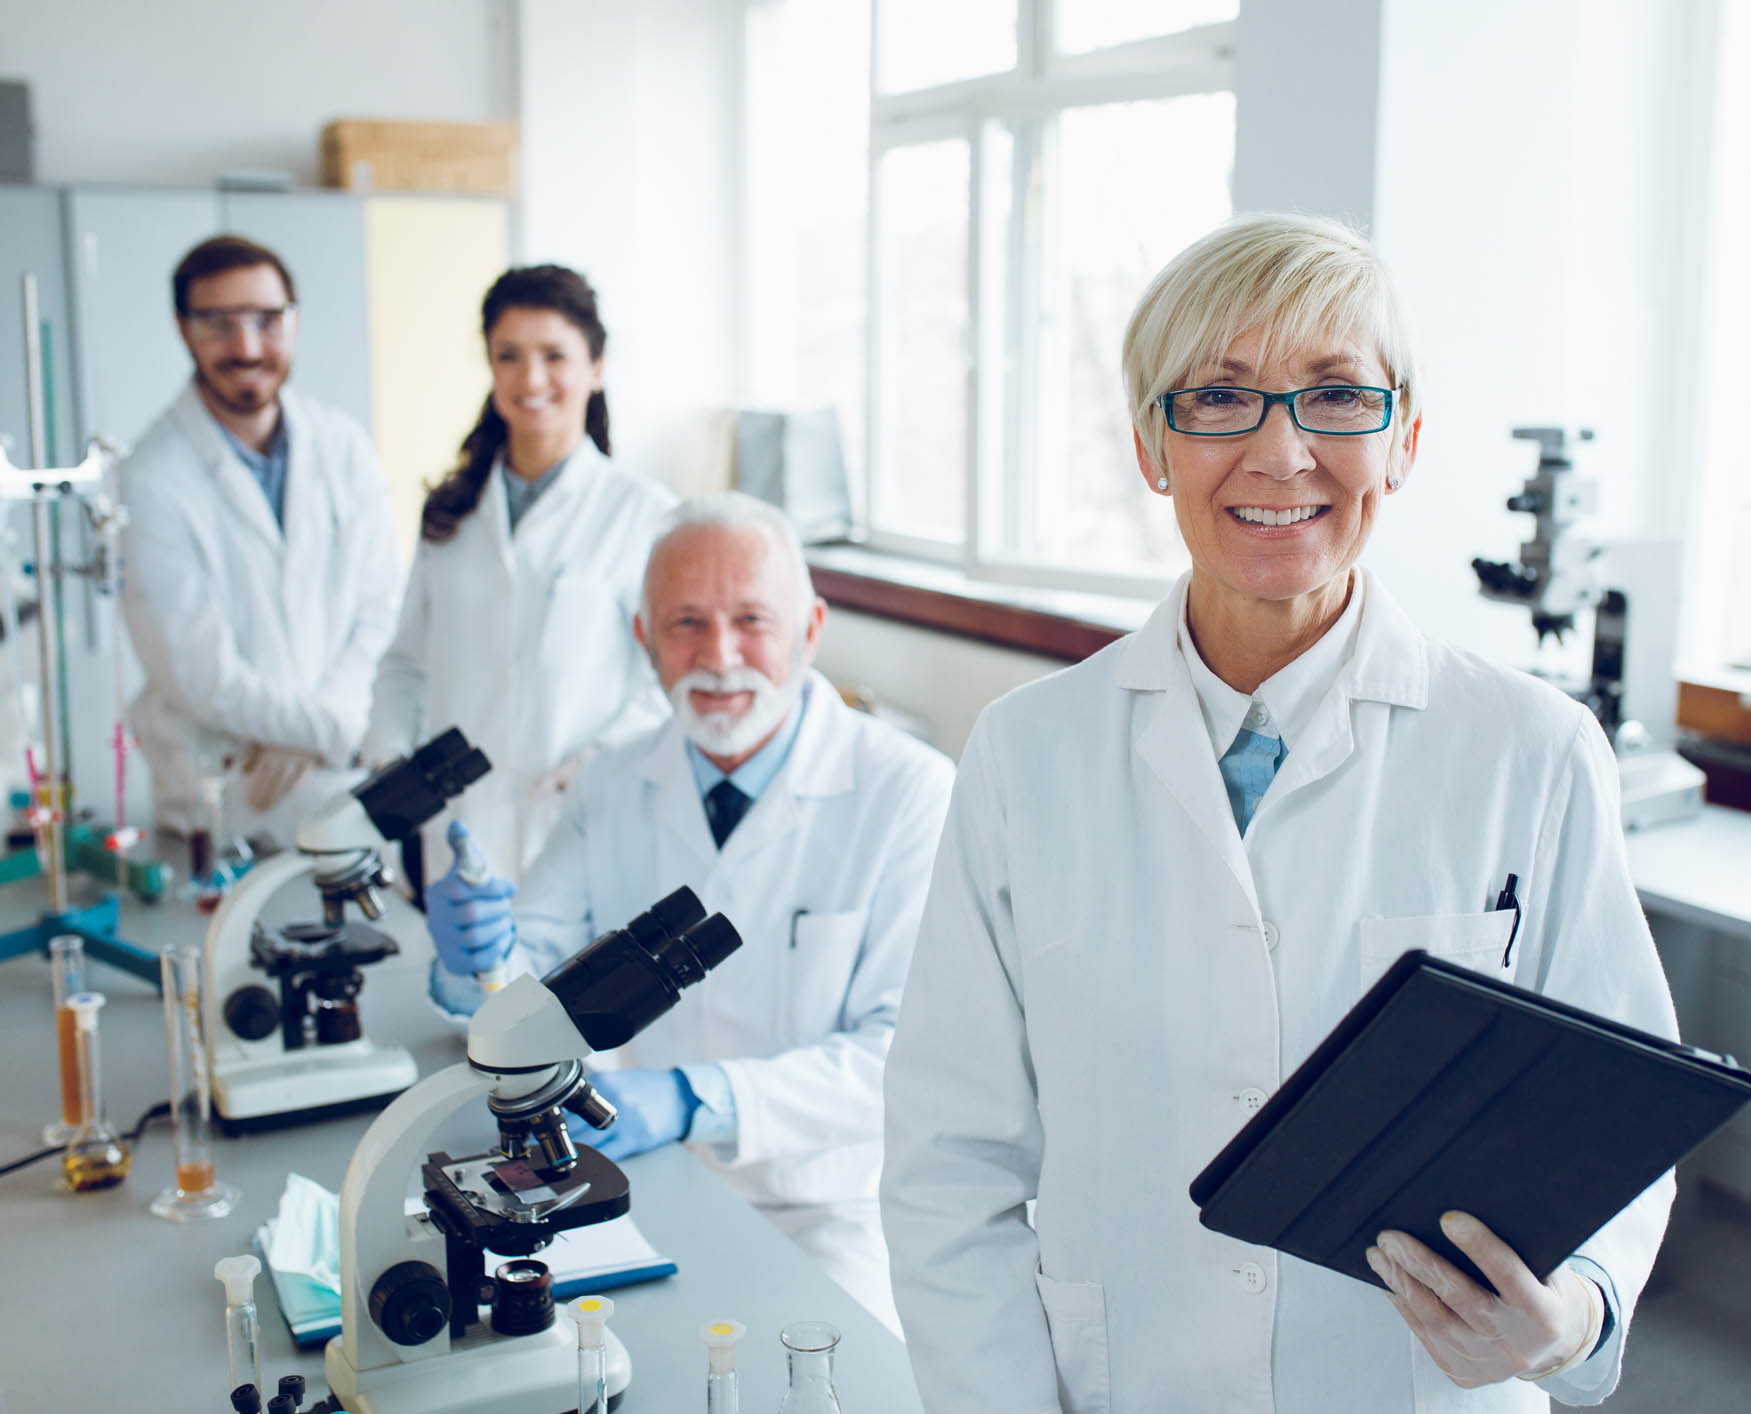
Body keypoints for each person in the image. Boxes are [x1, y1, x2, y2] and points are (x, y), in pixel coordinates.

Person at [880, 213, 1678, 1411]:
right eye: (1217, 396)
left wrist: (1570, 1317)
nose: (1281, 451)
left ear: (1402, 440)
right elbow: (950, 1164)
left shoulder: (1531, 752)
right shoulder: (1027, 755)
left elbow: (1616, 1120)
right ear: (1154, 445)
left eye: (1335, 396)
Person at [424, 492, 954, 1330]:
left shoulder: (910, 793)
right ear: (643, 640)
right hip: (644, 1186)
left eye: (751, 620)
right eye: (684, 624)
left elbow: (909, 1058)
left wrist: (691, 1097)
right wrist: (472, 963)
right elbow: (534, 966)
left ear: (811, 628)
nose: (719, 656)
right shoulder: (611, 780)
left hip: (829, 1210)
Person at [365, 265, 673, 886]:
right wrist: (394, 766)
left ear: (597, 365)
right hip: (455, 830)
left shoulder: (644, 515)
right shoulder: (452, 510)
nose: (530, 379)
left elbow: (666, 682)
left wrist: (597, 763)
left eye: (554, 355)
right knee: (457, 979)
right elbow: (404, 665)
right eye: (509, 356)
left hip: (575, 822)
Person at [120, 235, 400, 847]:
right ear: (183, 329)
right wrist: (332, 732)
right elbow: (204, 676)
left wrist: (325, 729)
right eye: (218, 323)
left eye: (267, 321)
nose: (246, 347)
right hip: (226, 792)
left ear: (294, 321)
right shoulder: (150, 477)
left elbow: (381, 609)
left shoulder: (342, 446)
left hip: (335, 776)